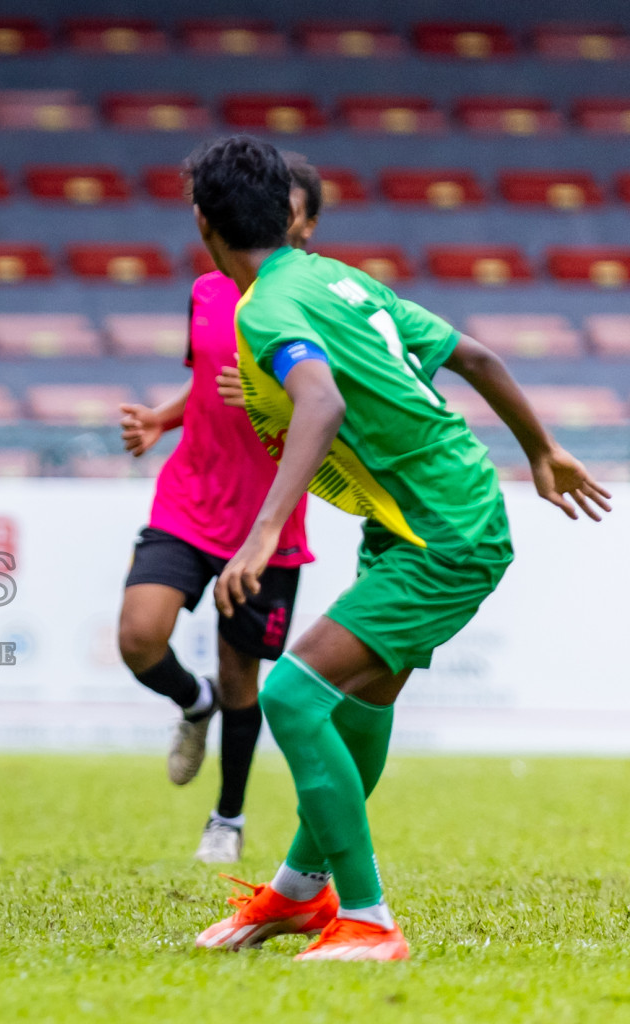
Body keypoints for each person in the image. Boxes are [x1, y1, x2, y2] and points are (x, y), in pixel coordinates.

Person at [187, 135, 610, 960]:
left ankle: (370, 920)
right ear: (289, 213)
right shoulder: (336, 277)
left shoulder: (265, 307)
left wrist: (264, 529)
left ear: (204, 223)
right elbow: (475, 356)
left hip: (443, 533)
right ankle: (302, 894)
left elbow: (320, 404)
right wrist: (541, 449)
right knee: (359, 703)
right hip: (421, 518)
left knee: (294, 697)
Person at [117, 157, 325, 864]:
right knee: (139, 637)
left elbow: (328, 404)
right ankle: (192, 703)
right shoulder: (207, 292)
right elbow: (209, 379)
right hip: (189, 497)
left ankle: (228, 818)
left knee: (245, 676)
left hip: (267, 519)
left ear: (307, 223)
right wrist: (162, 419)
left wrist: (271, 400)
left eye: (294, 209)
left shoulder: (314, 300)